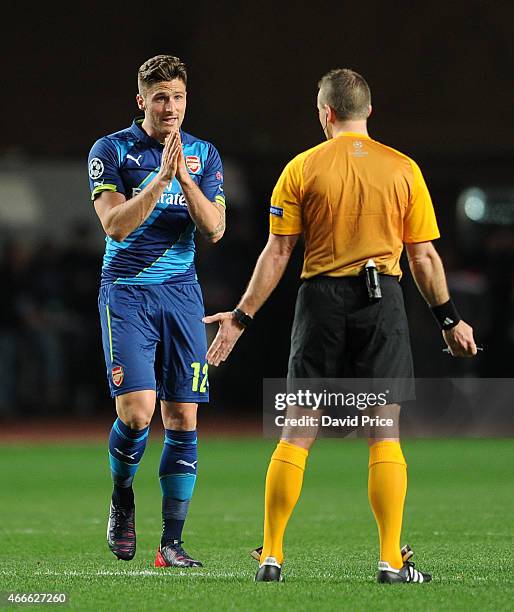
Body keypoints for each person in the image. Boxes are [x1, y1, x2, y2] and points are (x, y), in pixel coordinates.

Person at [203, 68, 477, 583]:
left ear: (325, 113)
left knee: (298, 428)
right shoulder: (403, 169)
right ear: (368, 110)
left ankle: (272, 556)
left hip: (319, 301)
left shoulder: (302, 168)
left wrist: (240, 318)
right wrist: (450, 321)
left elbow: (278, 250)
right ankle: (391, 560)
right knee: (383, 430)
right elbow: (423, 256)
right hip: (382, 301)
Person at [87, 54, 226, 568]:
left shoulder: (204, 155)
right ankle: (122, 497)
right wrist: (159, 180)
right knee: (138, 411)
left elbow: (215, 229)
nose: (171, 107)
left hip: (182, 295)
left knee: (183, 414)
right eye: (161, 97)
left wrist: (185, 179)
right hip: (126, 292)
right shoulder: (111, 150)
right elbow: (115, 226)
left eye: (179, 97)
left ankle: (171, 543)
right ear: (141, 100)